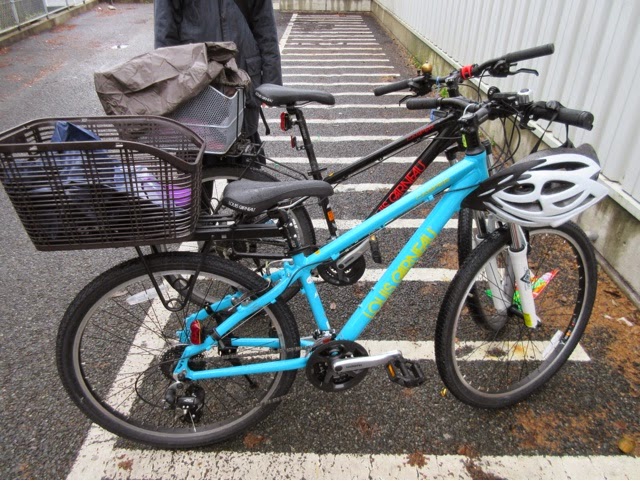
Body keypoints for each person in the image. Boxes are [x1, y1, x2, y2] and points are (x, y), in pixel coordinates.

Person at [154, 0, 282, 153]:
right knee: (197, 152)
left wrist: (271, 82)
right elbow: (165, 33)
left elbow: (265, 26)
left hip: (242, 76)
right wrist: (169, 87)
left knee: (245, 150)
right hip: (195, 82)